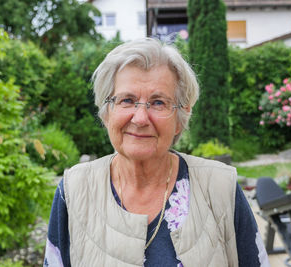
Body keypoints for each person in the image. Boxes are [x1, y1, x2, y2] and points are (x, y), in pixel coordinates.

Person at [44, 38, 270, 267]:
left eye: (159, 102)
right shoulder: (74, 190)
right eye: (127, 100)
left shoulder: (221, 187)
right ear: (106, 113)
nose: (140, 118)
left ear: (180, 119)